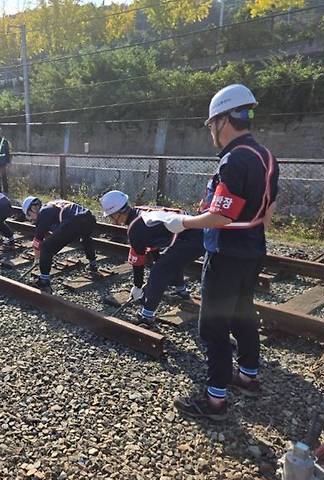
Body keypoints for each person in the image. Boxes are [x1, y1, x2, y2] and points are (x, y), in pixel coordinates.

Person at [158, 84, 279, 421]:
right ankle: (249, 377)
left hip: (225, 253)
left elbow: (222, 215)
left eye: (212, 124)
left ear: (224, 120)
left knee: (212, 326)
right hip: (253, 250)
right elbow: (266, 212)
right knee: (242, 314)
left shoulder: (234, 159)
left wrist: (181, 223)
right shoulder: (266, 156)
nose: (212, 131)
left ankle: (215, 401)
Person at [100, 190, 204, 324]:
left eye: (110, 216)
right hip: (195, 234)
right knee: (168, 262)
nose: (111, 220)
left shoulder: (135, 229)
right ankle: (181, 292)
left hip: (193, 240)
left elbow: (138, 263)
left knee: (159, 271)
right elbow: (154, 244)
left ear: (117, 213)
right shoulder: (140, 213)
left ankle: (147, 316)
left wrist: (137, 286)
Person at [21, 196, 98, 290]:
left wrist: (37, 259)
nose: (31, 219)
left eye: (29, 216)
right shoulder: (53, 204)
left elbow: (37, 241)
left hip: (73, 222)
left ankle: (44, 281)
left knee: (46, 247)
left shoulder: (43, 213)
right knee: (86, 238)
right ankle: (93, 265)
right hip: (89, 217)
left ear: (32, 209)